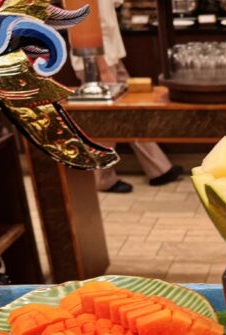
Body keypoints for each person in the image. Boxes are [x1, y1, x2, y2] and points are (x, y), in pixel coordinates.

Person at [73, 0, 183, 193]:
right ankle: (102, 178)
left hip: (111, 55)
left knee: (131, 110)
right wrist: (104, 68)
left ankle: (159, 169)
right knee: (106, 121)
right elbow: (84, 23)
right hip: (97, 59)